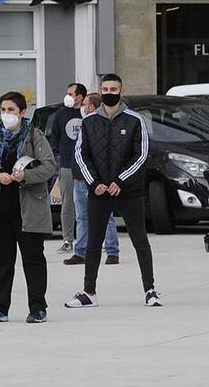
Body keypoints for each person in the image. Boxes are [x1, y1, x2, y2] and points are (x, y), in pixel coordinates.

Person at [65, 73, 161, 310]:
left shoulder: (135, 120)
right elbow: (80, 155)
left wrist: (121, 180)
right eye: (105, 89)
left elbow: (141, 155)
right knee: (93, 242)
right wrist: (94, 183)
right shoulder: (88, 122)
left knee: (140, 240)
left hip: (128, 191)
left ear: (121, 91)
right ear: (100, 91)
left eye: (113, 89)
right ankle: (89, 292)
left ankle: (150, 289)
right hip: (98, 191)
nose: (109, 92)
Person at [0, 91, 56, 324]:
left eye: (11, 110)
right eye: (3, 110)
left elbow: (49, 166)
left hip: (28, 210)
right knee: (3, 262)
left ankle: (38, 308)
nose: (6, 114)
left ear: (22, 112)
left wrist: (25, 176)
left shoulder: (35, 136)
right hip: (0, 209)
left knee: (33, 259)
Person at [60, 85, 120, 269]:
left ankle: (112, 251)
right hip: (79, 177)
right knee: (82, 217)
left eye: (85, 104)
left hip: (99, 180)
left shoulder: (101, 126)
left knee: (105, 216)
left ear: (92, 107)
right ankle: (81, 252)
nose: (82, 107)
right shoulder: (83, 125)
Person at [48, 82, 87, 257]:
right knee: (68, 203)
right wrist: (59, 156)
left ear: (80, 97)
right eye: (67, 93)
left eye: (71, 93)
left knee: (89, 203)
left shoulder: (86, 113)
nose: (68, 96)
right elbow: (54, 137)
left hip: (87, 165)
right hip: (66, 164)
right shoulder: (61, 114)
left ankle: (89, 239)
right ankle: (67, 240)